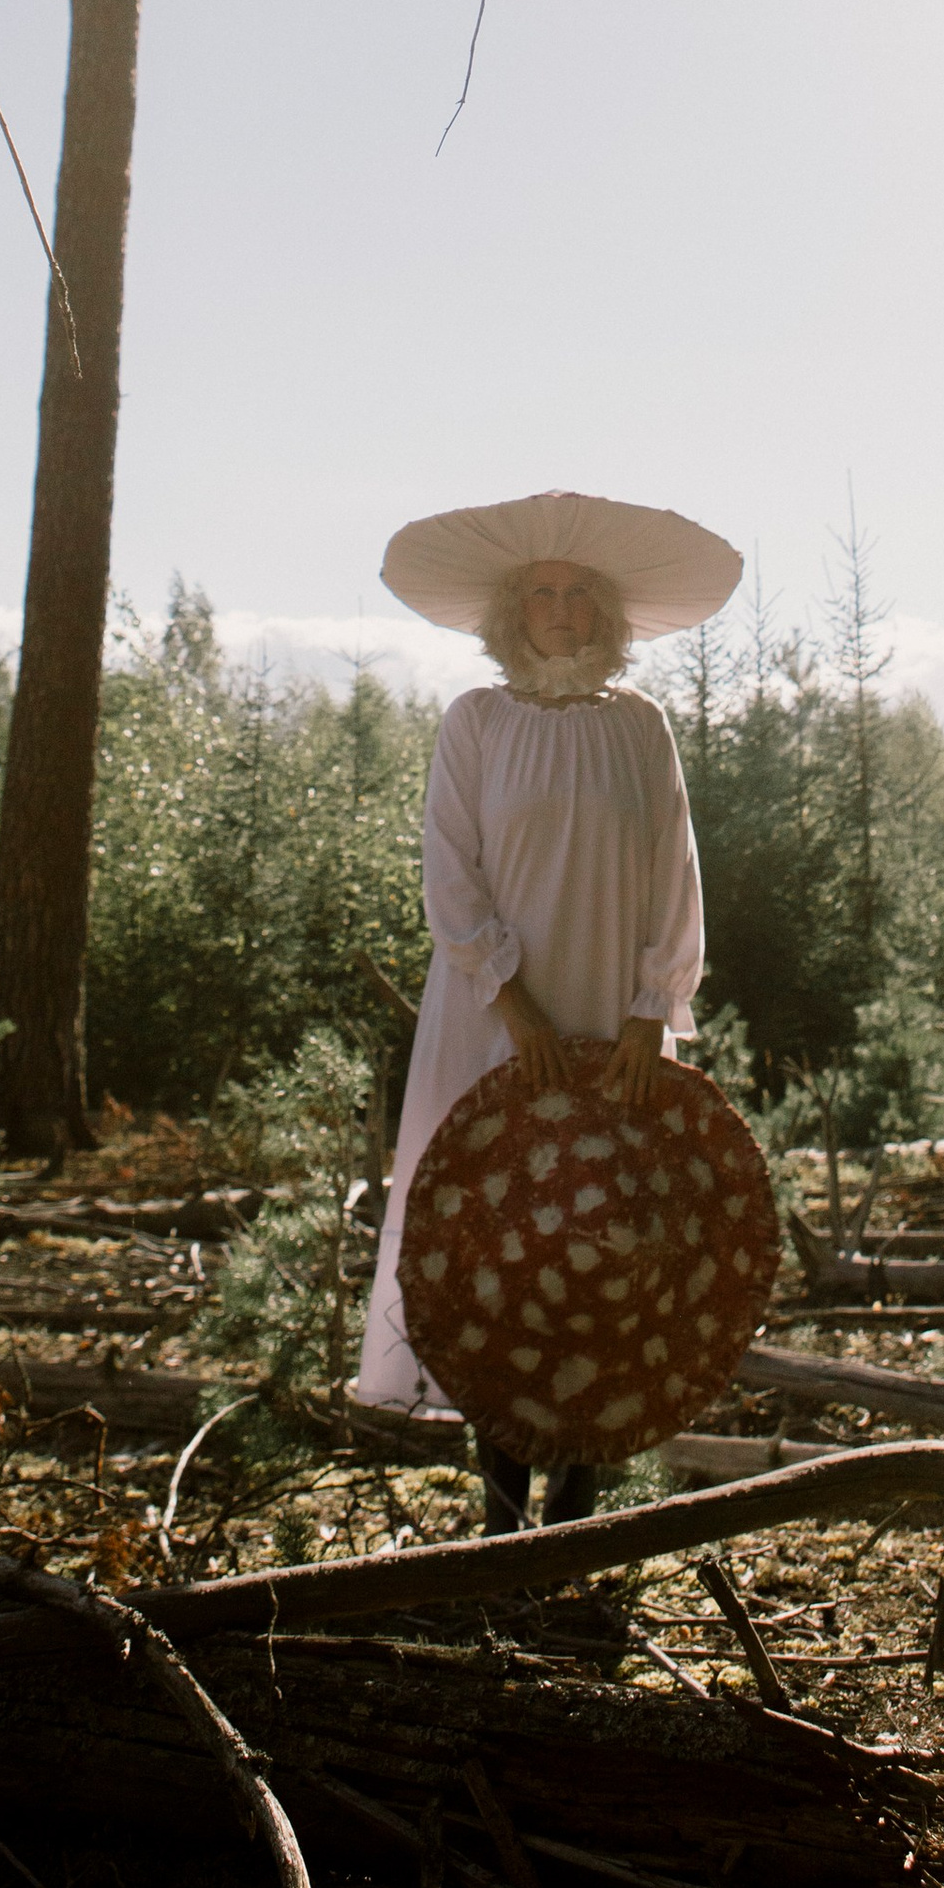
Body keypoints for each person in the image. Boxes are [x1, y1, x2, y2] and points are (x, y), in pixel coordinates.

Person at [354, 486, 739, 1534]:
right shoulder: (476, 722)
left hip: (611, 1013)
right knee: (497, 1243)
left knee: (603, 1236)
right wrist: (513, 1007)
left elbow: (673, 872)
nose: (561, 612)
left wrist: (651, 1010)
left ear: (603, 612)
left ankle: (574, 1523)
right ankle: (497, 1524)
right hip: (494, 1019)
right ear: (510, 611)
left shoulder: (641, 727)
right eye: (541, 593)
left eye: (577, 595)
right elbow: (451, 874)